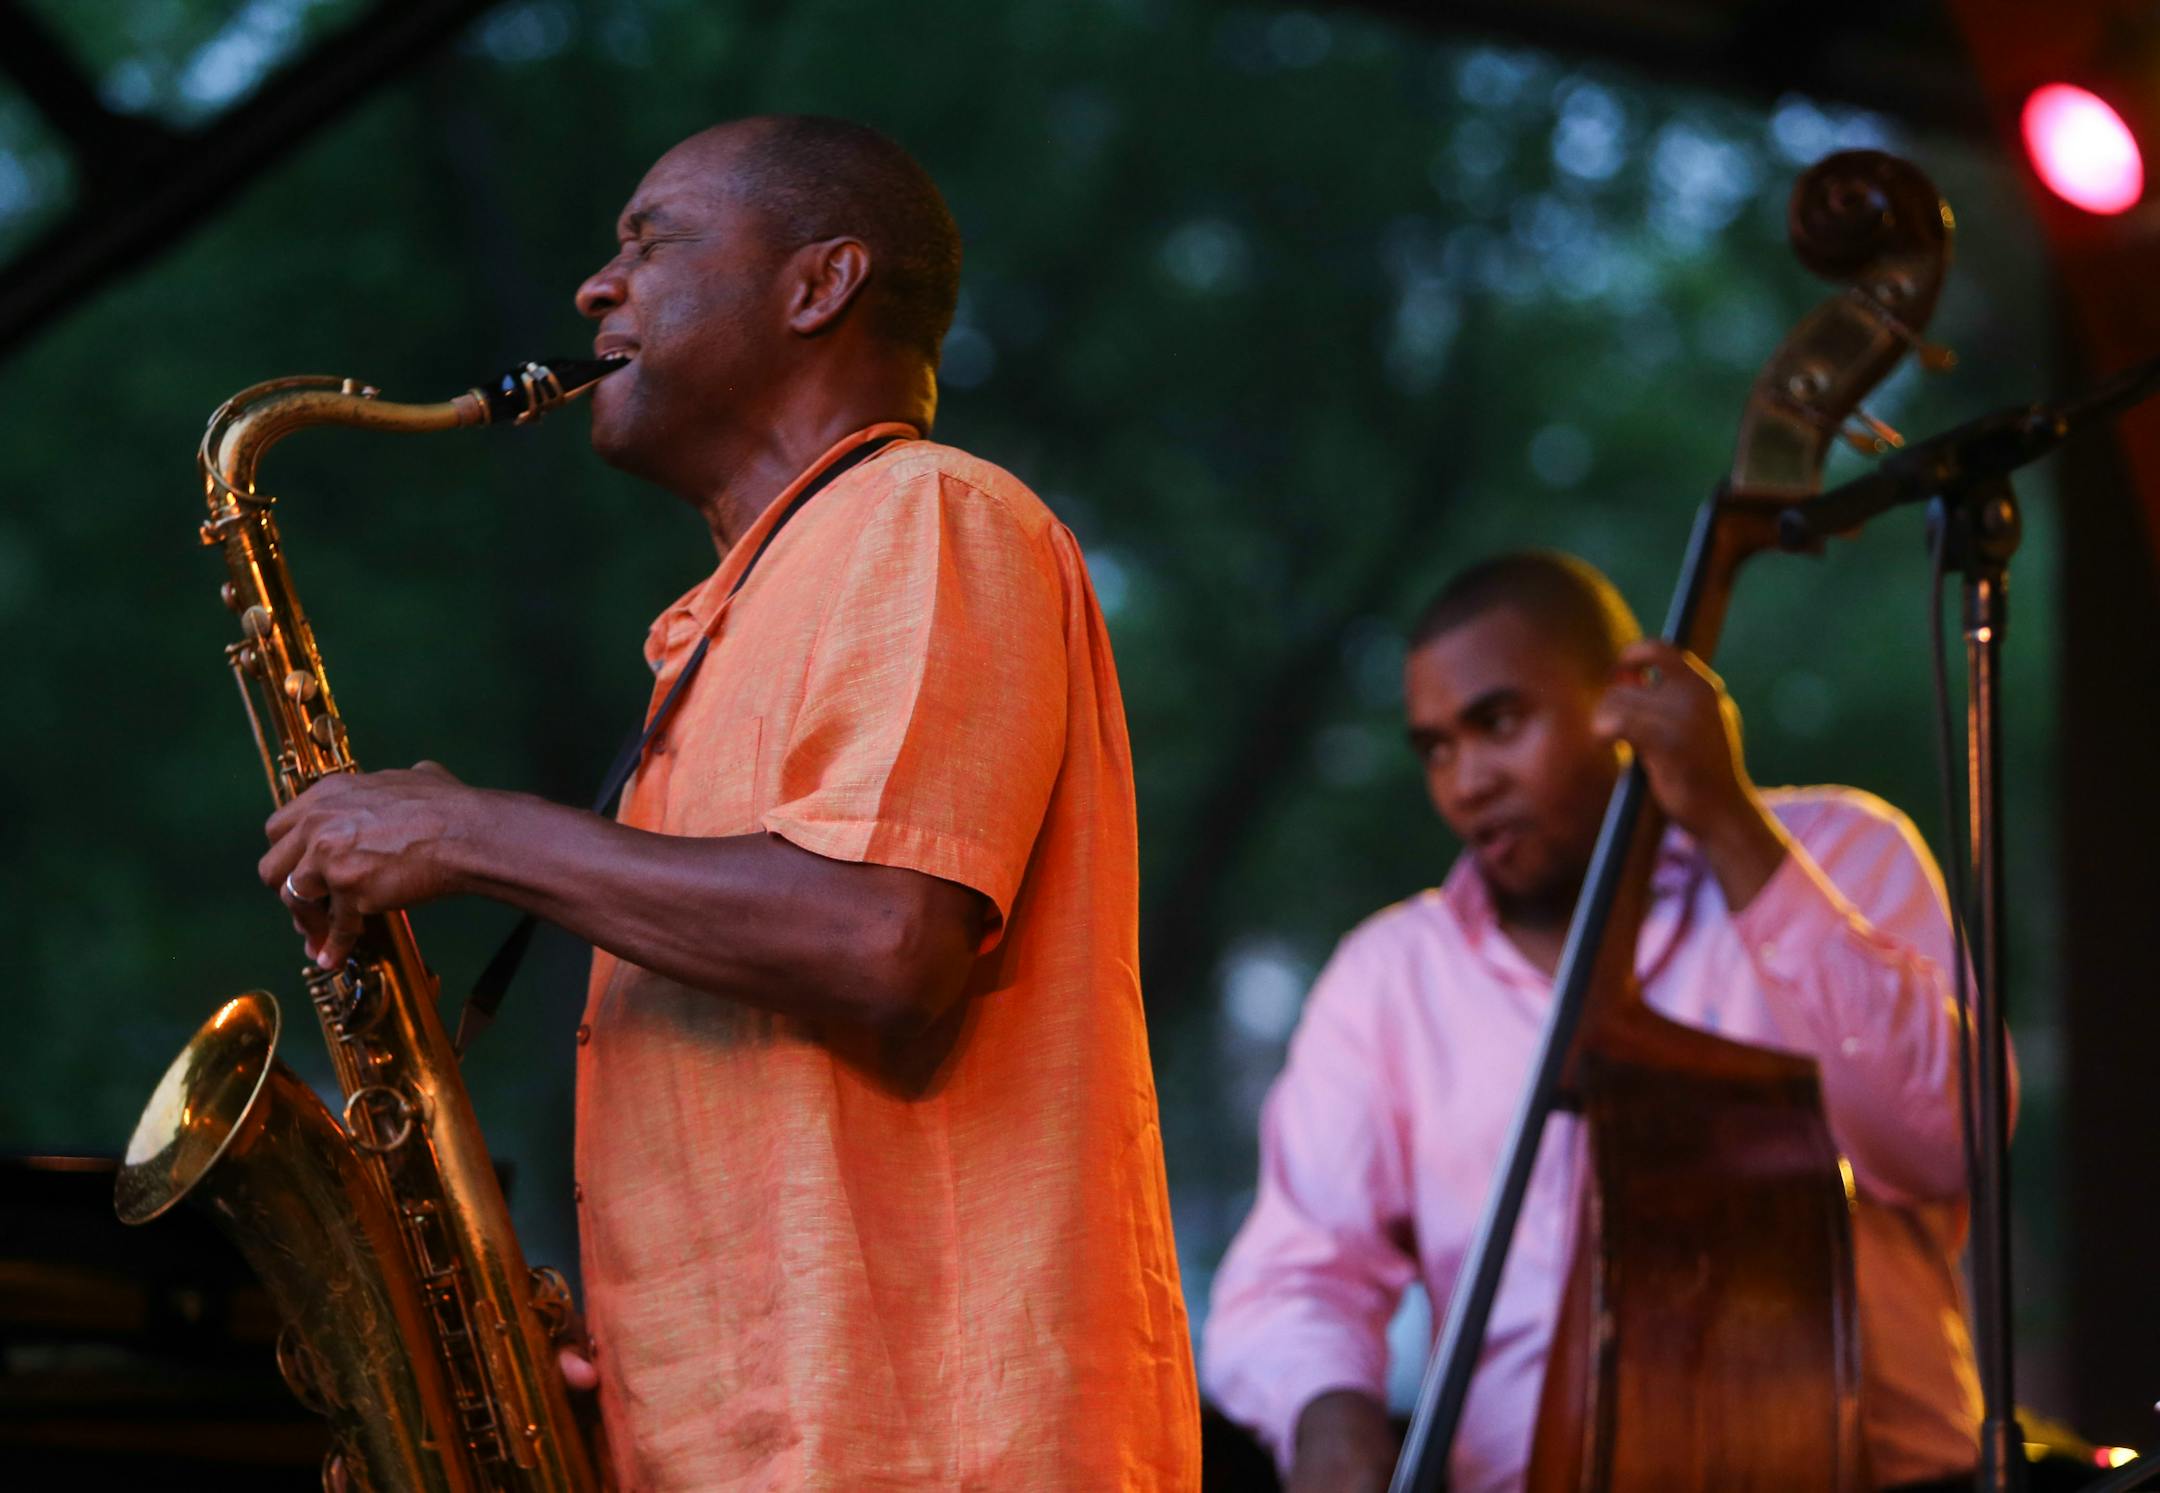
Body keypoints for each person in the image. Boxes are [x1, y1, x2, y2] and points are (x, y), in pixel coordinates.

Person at [257, 116, 1199, 1490]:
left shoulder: (927, 512)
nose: (594, 287)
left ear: (819, 286)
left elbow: (884, 940)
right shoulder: (714, 631)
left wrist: (471, 830)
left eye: (650, 240)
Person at [1202, 551, 2001, 1493]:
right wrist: (1329, 1415)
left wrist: (1730, 825)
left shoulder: (1840, 853)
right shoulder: (1388, 976)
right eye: (1437, 748)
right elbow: (1295, 1274)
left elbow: (1946, 1139)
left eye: (1497, 723)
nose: (1466, 782)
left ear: (1627, 698)